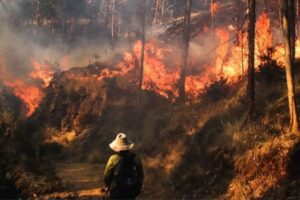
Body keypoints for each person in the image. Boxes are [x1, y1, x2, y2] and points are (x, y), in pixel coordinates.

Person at [104, 133, 144, 200]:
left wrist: (108, 186)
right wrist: (138, 185)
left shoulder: (113, 158)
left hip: (116, 190)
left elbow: (107, 175)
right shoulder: (135, 158)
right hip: (131, 188)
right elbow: (141, 175)